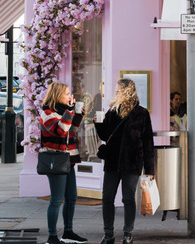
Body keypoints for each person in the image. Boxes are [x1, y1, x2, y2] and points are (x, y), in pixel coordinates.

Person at [95, 78, 155, 244]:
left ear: (127, 91)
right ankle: (108, 235)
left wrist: (150, 170)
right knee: (107, 198)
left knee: (128, 199)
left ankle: (128, 234)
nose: (115, 92)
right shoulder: (112, 111)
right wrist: (98, 124)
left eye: (118, 90)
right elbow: (105, 136)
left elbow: (148, 142)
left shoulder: (141, 113)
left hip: (132, 162)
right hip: (113, 162)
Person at [39, 81, 88, 244]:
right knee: (56, 199)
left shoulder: (64, 112)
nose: (70, 96)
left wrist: (78, 114)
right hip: (56, 159)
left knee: (71, 197)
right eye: (67, 93)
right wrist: (70, 111)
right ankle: (52, 236)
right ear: (58, 95)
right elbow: (61, 131)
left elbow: (70, 131)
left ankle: (68, 232)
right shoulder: (47, 113)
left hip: (68, 160)